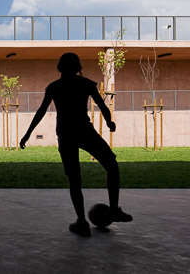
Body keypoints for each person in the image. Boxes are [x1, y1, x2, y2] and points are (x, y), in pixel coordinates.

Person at [19, 52, 133, 237]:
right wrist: (109, 122)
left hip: (66, 134)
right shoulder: (86, 84)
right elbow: (102, 106)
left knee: (74, 179)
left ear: (60, 68)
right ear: (78, 67)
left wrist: (27, 134)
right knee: (111, 165)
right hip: (84, 131)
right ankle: (113, 209)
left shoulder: (54, 87)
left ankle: (82, 222)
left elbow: (41, 111)